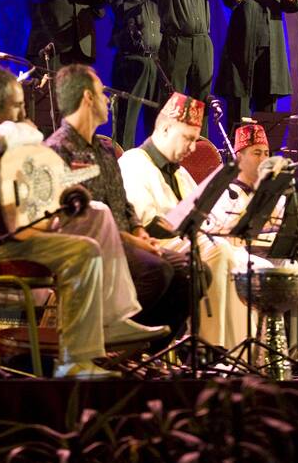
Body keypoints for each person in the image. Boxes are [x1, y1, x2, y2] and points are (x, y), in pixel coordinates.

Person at [0, 65, 166, 378]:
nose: (21, 114)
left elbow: (16, 195)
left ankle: (112, 321)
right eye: (16, 106)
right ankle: (74, 363)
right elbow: (12, 138)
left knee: (96, 213)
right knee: (83, 253)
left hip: (5, 236)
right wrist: (28, 129)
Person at [45, 64, 190, 344]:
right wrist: (133, 241)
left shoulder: (106, 151)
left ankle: (150, 348)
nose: (107, 100)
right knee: (157, 270)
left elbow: (123, 204)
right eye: (102, 93)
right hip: (94, 247)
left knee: (191, 271)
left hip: (127, 242)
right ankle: (113, 339)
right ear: (87, 97)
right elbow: (75, 219)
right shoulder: (58, 150)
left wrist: (138, 230)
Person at [119, 92, 254, 349]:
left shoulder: (180, 173)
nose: (193, 148)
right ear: (166, 128)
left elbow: (205, 216)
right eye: (188, 139)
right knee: (218, 252)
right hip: (152, 248)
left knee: (243, 259)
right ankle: (211, 348)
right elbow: (146, 223)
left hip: (186, 242)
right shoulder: (133, 162)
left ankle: (243, 352)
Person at [207, 124, 298, 356]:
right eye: (257, 153)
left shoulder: (275, 192)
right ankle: (291, 352)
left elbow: (292, 227)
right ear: (239, 156)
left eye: (267, 153)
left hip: (282, 253)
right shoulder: (225, 192)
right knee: (289, 267)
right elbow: (220, 234)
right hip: (249, 257)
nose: (264, 159)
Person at [24, 0, 106, 133]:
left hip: (80, 49)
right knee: (50, 106)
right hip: (52, 49)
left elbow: (102, 7)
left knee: (79, 106)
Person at [215, 0, 298, 132]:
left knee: (267, 118)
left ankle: (266, 160)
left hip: (270, 59)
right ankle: (237, 159)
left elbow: (295, 4)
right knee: (240, 118)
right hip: (241, 60)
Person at [153, 0, 231, 136]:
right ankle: (167, 151)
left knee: (202, 100)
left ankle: (201, 151)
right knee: (173, 101)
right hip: (175, 43)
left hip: (202, 43)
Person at [107, 0, 162, 148]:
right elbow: (120, 12)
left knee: (155, 123)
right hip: (129, 62)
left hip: (156, 63)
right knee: (125, 122)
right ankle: (122, 169)